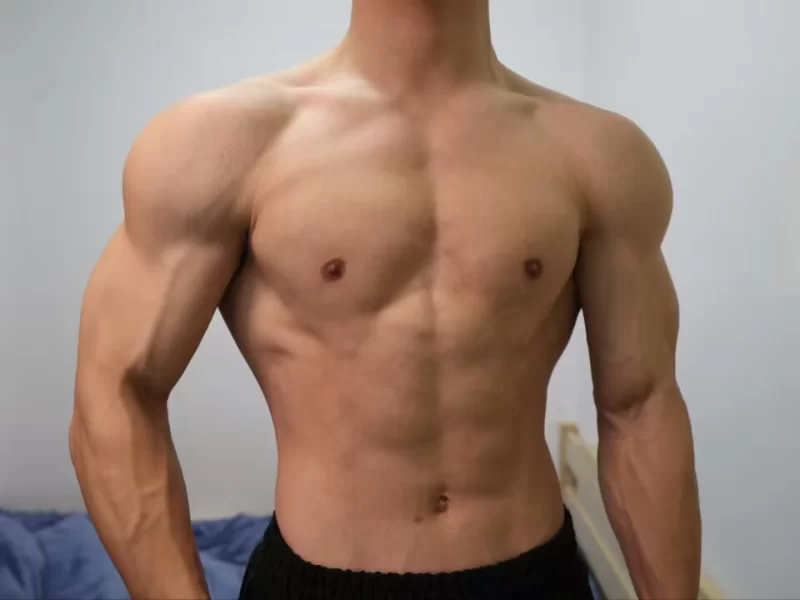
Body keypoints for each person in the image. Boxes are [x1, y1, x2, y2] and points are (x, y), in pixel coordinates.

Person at [70, 0, 701, 598]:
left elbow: (641, 407)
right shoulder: (222, 144)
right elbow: (117, 394)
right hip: (320, 582)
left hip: (535, 578)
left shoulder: (599, 155)